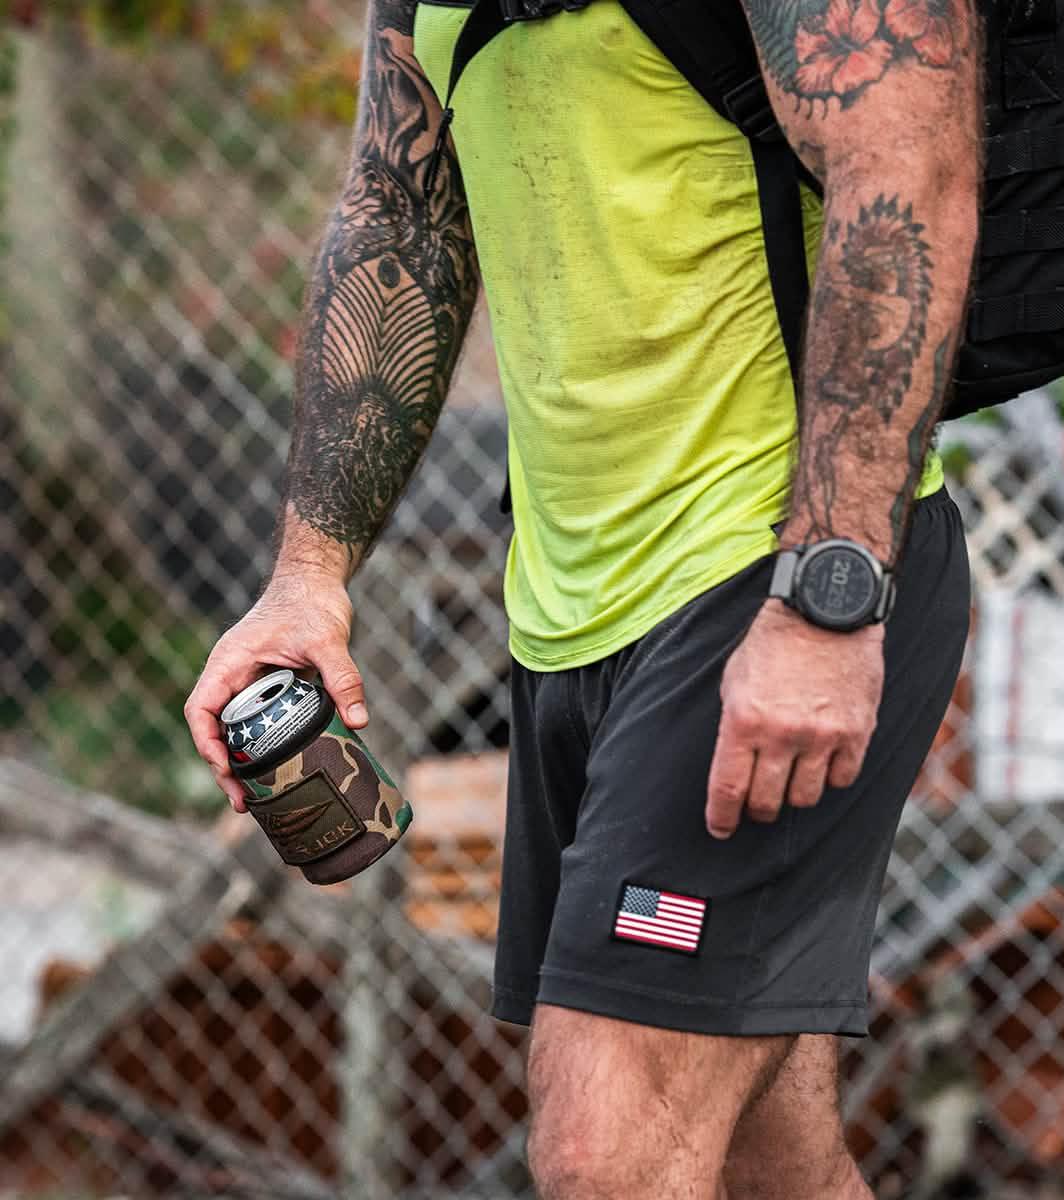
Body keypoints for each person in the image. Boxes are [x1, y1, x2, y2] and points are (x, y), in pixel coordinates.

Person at [186, 0, 979, 1194]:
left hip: (762, 578)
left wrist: (827, 596)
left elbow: (911, 173)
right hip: (571, 611)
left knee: (604, 1155)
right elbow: (400, 218)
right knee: (774, 1163)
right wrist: (307, 578)